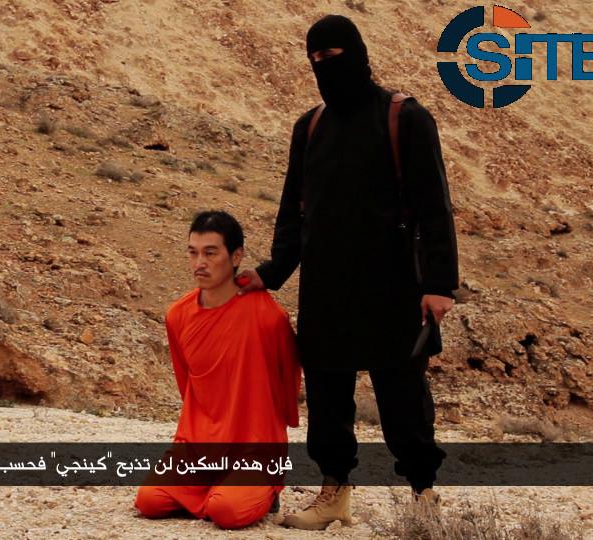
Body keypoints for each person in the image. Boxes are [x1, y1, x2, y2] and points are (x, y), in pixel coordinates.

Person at [235, 15, 459, 530]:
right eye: (314, 59)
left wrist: (439, 284)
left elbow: (435, 207)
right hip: (325, 287)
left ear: (357, 54)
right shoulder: (310, 127)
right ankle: (334, 492)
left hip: (393, 285)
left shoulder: (405, 117)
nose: (324, 67)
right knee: (327, 394)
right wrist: (271, 272)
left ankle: (423, 494)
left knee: (402, 397)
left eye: (332, 56)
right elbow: (293, 212)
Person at [134, 210, 302, 530]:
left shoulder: (269, 317)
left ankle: (262, 489)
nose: (200, 263)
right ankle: (216, 489)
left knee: (226, 510)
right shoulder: (178, 315)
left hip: (254, 447)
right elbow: (187, 384)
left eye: (211, 253)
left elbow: (287, 379)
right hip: (198, 446)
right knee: (149, 500)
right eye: (193, 252)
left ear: (236, 256)